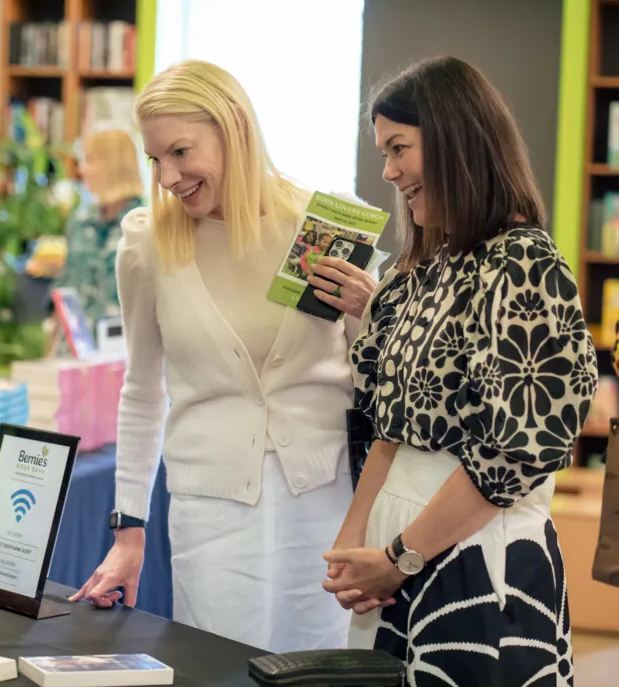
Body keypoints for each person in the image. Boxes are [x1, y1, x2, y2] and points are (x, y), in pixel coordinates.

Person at [69, 59, 378, 653]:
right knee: (220, 665)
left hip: (324, 501)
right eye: (155, 159)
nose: (167, 176)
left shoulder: (328, 223)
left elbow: (374, 373)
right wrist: (128, 532)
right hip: (208, 509)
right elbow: (142, 389)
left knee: (322, 663)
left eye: (181, 152)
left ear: (233, 125)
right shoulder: (147, 245)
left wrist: (370, 305)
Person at [322, 56, 596, 685]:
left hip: (475, 552)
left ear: (454, 140)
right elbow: (388, 423)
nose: (388, 171)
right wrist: (357, 542)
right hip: (402, 553)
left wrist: (400, 557)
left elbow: (514, 453)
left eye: (399, 148)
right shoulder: (421, 267)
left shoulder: (522, 262)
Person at [52, 128, 145, 328]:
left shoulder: (144, 226)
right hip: (72, 354)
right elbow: (64, 291)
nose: (81, 169)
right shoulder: (80, 221)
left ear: (113, 164)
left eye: (89, 160)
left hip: (123, 352)